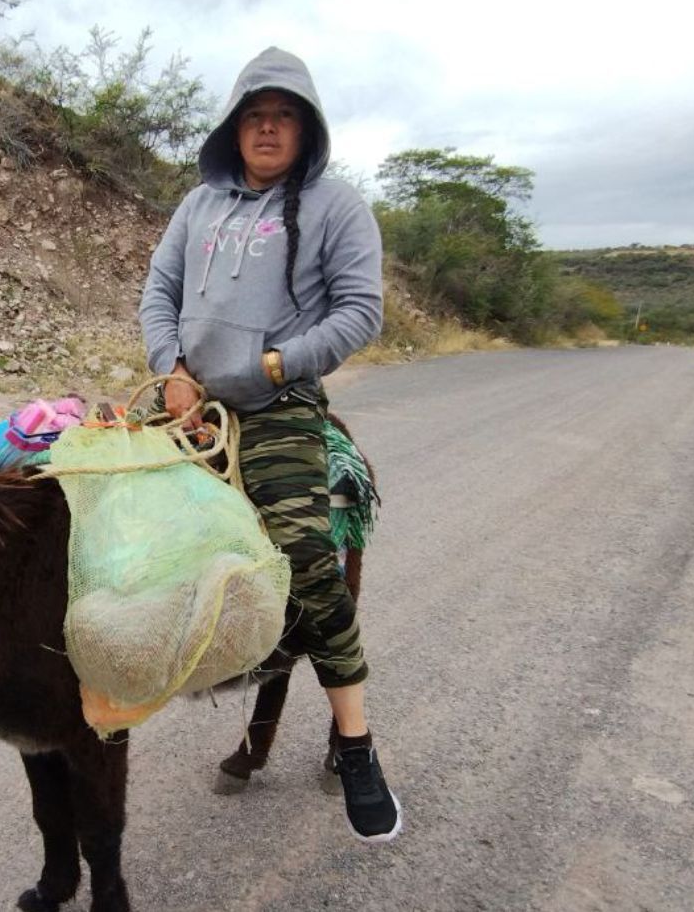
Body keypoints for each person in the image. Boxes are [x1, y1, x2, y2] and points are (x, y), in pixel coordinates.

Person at [138, 47, 400, 843]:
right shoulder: (197, 206)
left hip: (280, 407)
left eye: (284, 115)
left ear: (305, 128)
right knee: (94, 518)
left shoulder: (337, 206)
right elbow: (159, 293)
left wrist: (280, 362)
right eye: (255, 114)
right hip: (188, 405)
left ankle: (355, 745)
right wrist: (172, 370)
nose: (267, 127)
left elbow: (360, 310)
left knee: (307, 560)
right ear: (234, 126)